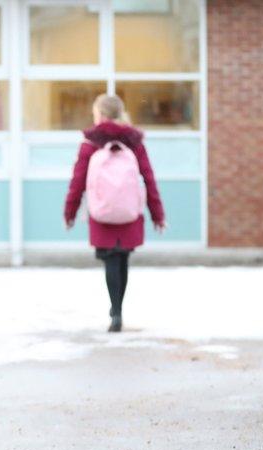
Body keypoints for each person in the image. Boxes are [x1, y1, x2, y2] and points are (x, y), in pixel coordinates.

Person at [64, 94, 165, 332]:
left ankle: (115, 312)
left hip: (102, 212)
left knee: (110, 258)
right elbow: (149, 179)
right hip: (129, 212)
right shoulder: (134, 142)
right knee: (122, 259)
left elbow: (77, 181)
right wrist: (157, 214)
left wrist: (70, 211)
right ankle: (118, 309)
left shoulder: (90, 143)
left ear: (99, 114)